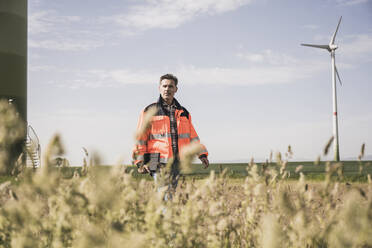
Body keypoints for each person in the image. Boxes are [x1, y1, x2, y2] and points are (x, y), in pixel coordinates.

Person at [132, 73, 209, 199]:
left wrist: (202, 154)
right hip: (155, 160)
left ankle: (162, 218)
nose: (167, 89)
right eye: (164, 86)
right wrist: (140, 161)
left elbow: (193, 136)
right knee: (166, 195)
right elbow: (140, 138)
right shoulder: (149, 111)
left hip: (177, 161)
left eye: (170, 86)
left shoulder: (183, 112)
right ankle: (167, 217)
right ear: (159, 88)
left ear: (176, 89)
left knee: (169, 195)